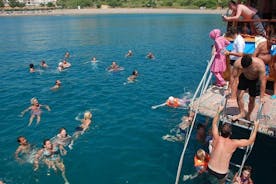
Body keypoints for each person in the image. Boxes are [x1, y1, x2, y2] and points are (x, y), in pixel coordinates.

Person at [207, 105, 259, 184]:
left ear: (220, 132)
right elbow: (250, 141)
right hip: (221, 173)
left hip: (210, 168)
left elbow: (214, 124)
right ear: (230, 133)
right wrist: (256, 127)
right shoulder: (234, 143)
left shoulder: (216, 137)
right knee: (222, 182)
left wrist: (219, 111)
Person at [231, 55, 266, 121]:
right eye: (243, 68)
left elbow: (263, 81)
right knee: (239, 95)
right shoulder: (237, 62)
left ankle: (248, 114)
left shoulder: (260, 65)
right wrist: (229, 89)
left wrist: (262, 96)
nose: (245, 69)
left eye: (247, 67)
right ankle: (242, 113)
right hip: (244, 77)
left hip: (255, 80)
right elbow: (233, 76)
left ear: (251, 63)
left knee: (252, 99)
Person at [225, 27, 245, 100]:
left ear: (233, 33)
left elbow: (240, 54)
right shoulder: (237, 39)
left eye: (230, 35)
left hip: (236, 62)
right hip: (234, 61)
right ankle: (230, 91)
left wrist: (229, 53)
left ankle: (233, 96)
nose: (230, 37)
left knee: (235, 79)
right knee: (232, 77)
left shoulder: (239, 40)